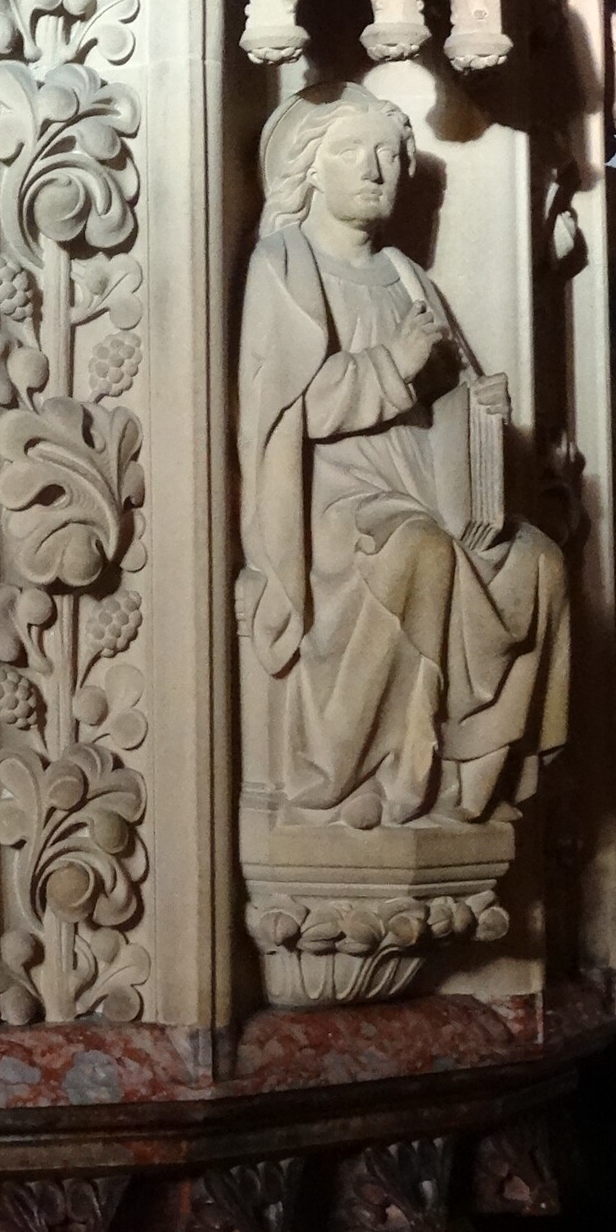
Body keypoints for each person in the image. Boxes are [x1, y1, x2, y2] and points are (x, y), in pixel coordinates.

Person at [238, 80, 569, 829]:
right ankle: (386, 769)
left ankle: (479, 772)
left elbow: (446, 392)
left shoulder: (405, 276)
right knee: (421, 552)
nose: (375, 168)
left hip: (426, 491)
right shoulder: (285, 264)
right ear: (309, 168)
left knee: (538, 562)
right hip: (338, 508)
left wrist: (477, 409)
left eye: (390, 154)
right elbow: (289, 409)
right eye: (351, 151)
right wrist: (394, 365)